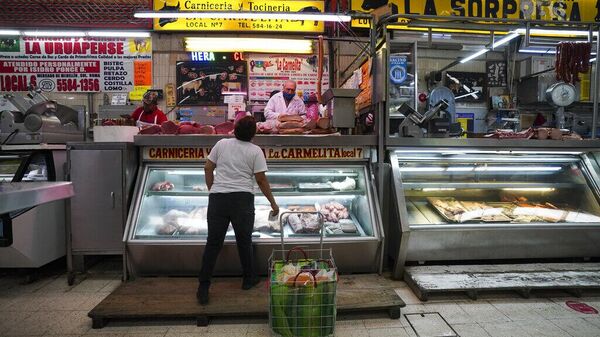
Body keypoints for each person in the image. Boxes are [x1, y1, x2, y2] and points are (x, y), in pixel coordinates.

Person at [197, 116, 279, 305]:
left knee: (213, 243)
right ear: (254, 134)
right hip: (242, 200)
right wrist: (273, 204)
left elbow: (208, 168)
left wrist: (213, 190)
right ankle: (248, 279)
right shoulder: (255, 151)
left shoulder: (221, 143)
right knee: (244, 241)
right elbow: (261, 180)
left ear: (234, 129)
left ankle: (203, 285)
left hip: (219, 199)